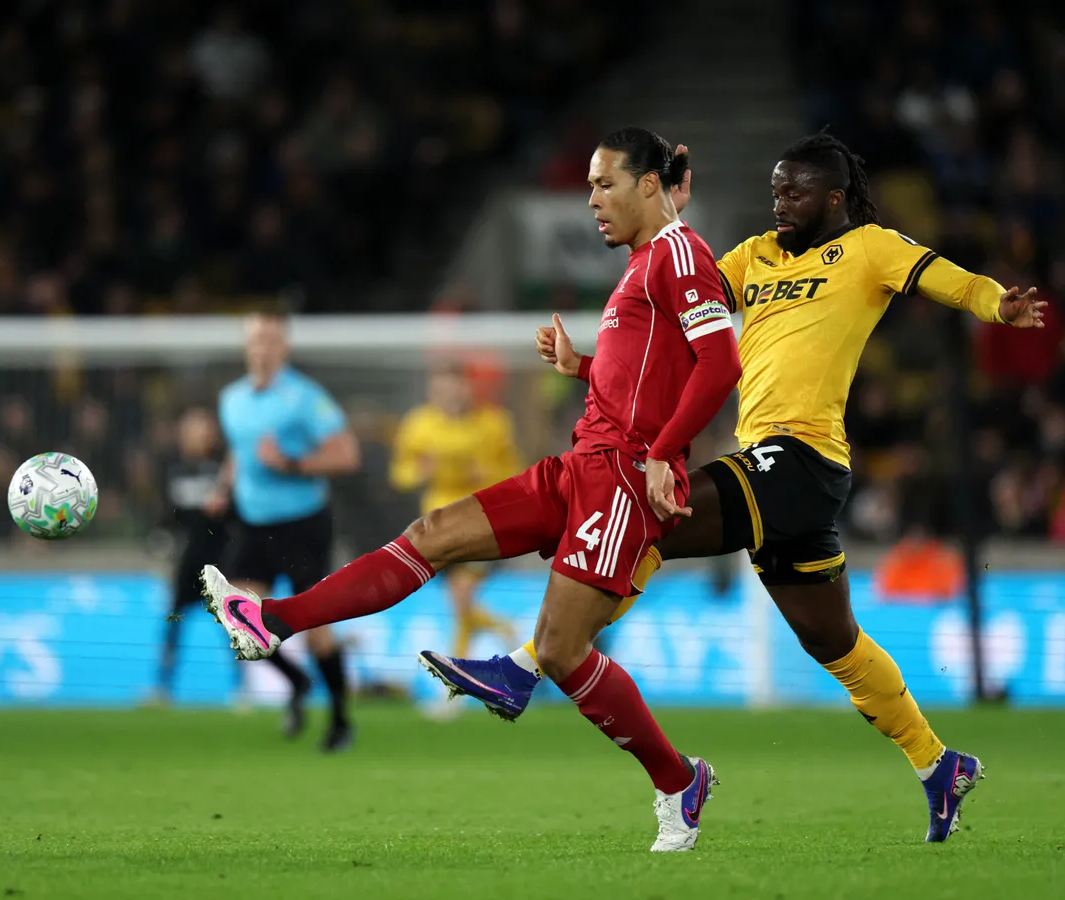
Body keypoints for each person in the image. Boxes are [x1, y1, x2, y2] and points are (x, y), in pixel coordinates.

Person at [418, 131, 1048, 843]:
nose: (779, 201)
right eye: (774, 188)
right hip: (770, 468)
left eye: (795, 191)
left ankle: (527, 666)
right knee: (833, 641)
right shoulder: (753, 258)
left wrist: (1000, 306)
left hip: (803, 458)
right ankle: (939, 764)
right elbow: (673, 312)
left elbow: (948, 279)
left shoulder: (870, 247)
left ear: (834, 198)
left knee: (652, 515)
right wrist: (592, 361)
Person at [200, 127, 742, 852]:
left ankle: (674, 778)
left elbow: (720, 363)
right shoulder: (644, 264)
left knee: (560, 649)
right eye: (588, 186)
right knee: (435, 533)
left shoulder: (680, 253)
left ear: (650, 185)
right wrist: (583, 366)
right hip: (583, 462)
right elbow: (648, 374)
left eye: (604, 184)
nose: (591, 201)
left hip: (625, 477)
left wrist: (664, 454)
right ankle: (274, 621)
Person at [208, 312, 362, 752]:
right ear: (245, 346)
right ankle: (296, 681)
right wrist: (223, 487)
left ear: (283, 347)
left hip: (302, 525)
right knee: (237, 619)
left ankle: (340, 720)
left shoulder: (305, 399)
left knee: (317, 630)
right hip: (253, 524)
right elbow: (240, 453)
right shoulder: (232, 399)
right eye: (255, 339)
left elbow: (346, 456)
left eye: (270, 340)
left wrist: (292, 464)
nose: (262, 348)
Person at [389, 366, 521, 670]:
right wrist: (420, 471)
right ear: (432, 393)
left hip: (481, 520)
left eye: (455, 389)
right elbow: (400, 474)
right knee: (460, 601)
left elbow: (516, 472)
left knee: (461, 594)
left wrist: (486, 474)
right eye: (442, 391)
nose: (449, 396)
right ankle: (506, 632)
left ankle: (457, 674)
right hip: (434, 524)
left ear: (467, 389)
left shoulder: (493, 423)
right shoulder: (418, 424)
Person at [150, 406, 233, 705]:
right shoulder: (172, 470)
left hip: (220, 561)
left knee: (231, 625)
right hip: (187, 561)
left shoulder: (224, 469)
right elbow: (166, 516)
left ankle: (243, 686)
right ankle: (162, 688)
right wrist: (160, 543)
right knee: (174, 622)